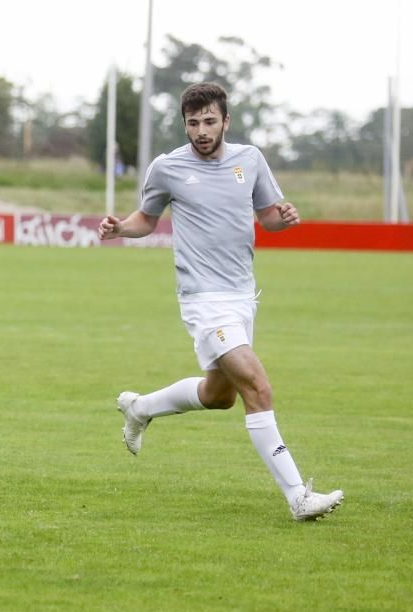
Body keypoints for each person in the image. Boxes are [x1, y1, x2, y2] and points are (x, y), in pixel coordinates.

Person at [98, 82, 343, 521]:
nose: (201, 131)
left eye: (209, 121)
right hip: (202, 299)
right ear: (185, 124)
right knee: (257, 386)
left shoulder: (249, 160)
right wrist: (120, 229)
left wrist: (283, 219)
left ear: (225, 121)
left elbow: (268, 216)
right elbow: (146, 220)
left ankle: (140, 408)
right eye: (193, 123)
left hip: (242, 295)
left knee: (219, 396)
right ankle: (298, 497)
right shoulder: (168, 167)